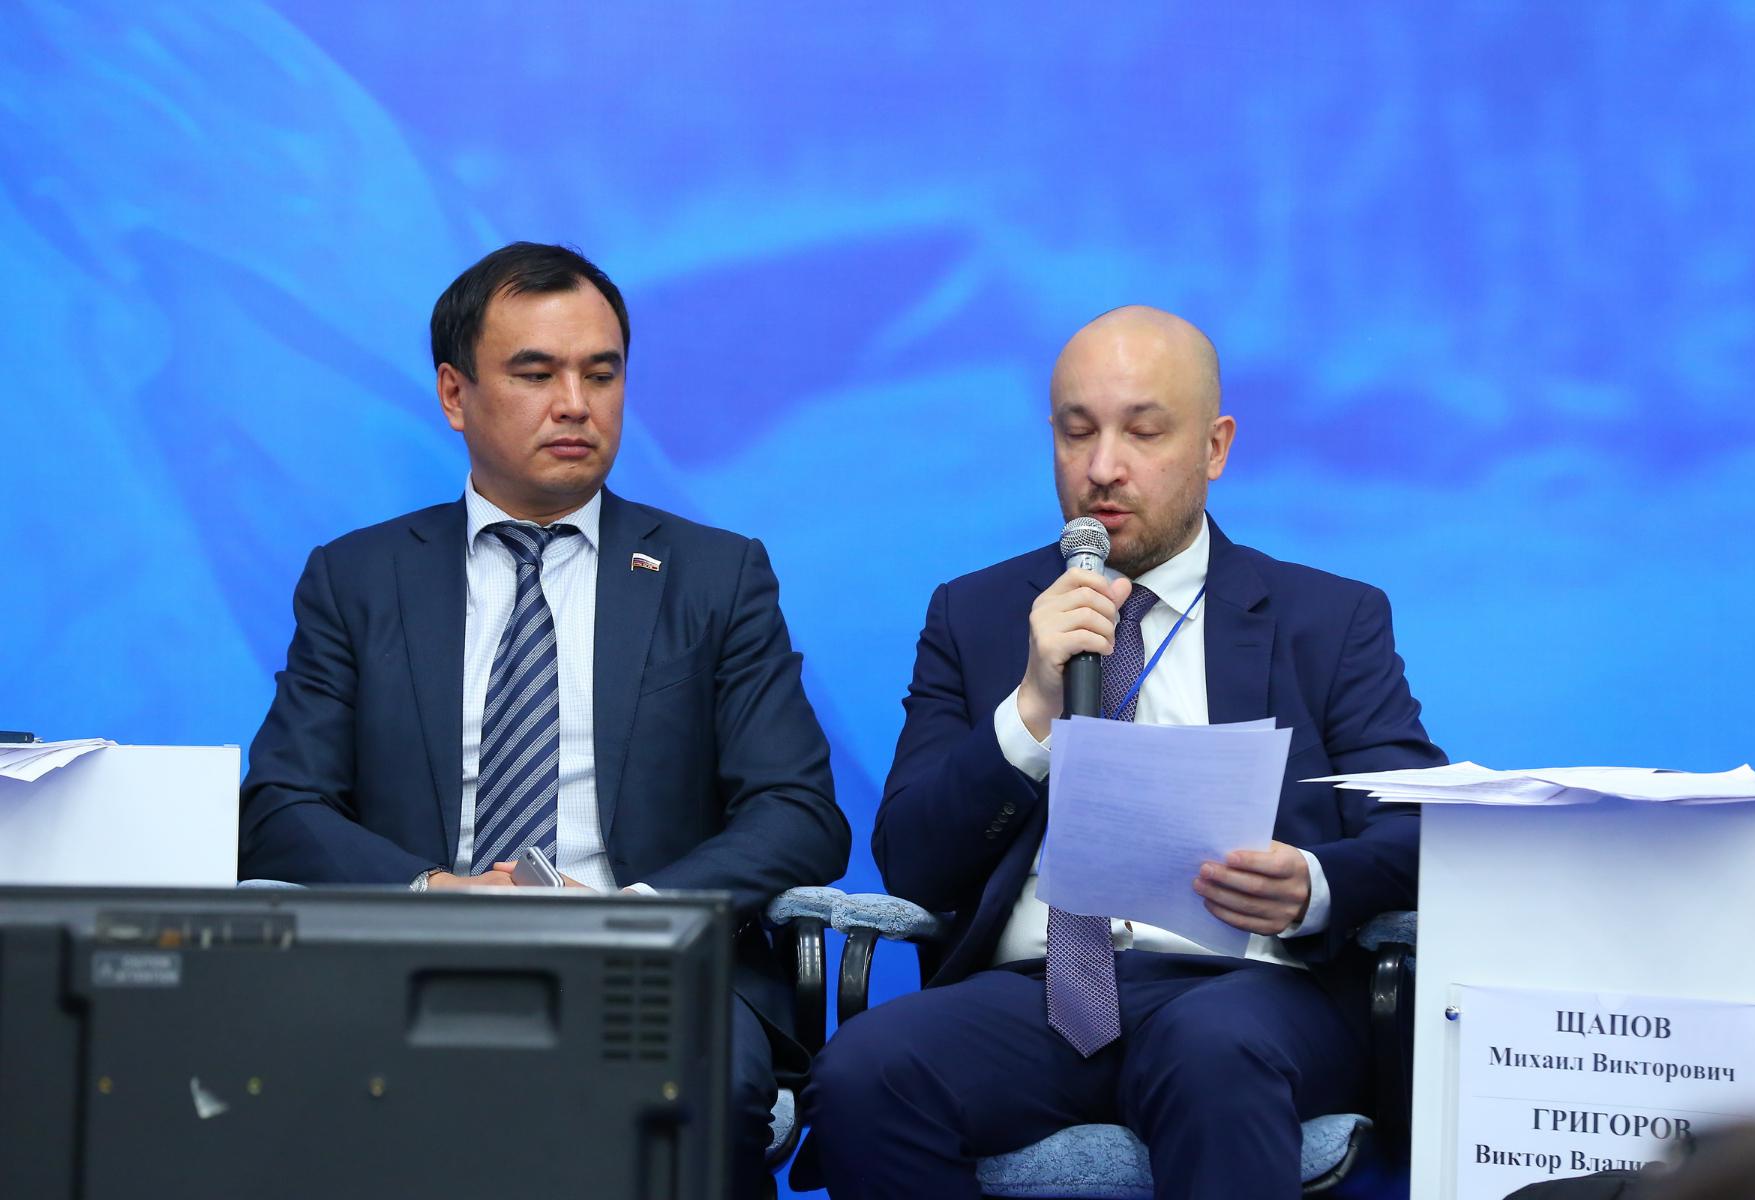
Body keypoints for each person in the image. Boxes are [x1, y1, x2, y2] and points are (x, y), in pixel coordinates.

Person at [238, 241, 850, 1199]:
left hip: (651, 967)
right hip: (410, 962)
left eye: (601, 374)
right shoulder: (358, 579)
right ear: (455, 395)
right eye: (536, 373)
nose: (575, 404)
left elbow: (798, 812)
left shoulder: (715, 575)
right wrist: (431, 893)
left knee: (703, 1089)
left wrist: (633, 915)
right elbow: (280, 806)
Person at [796, 306, 1445, 1199]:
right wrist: (1030, 709)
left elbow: (1419, 827)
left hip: (1249, 990)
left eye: (1143, 432)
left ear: (1214, 447)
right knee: (864, 1071)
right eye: (1077, 433)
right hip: (1034, 995)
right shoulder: (975, 614)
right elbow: (912, 859)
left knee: (1210, 1047)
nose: (1103, 468)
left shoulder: (1327, 620)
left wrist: (1314, 884)